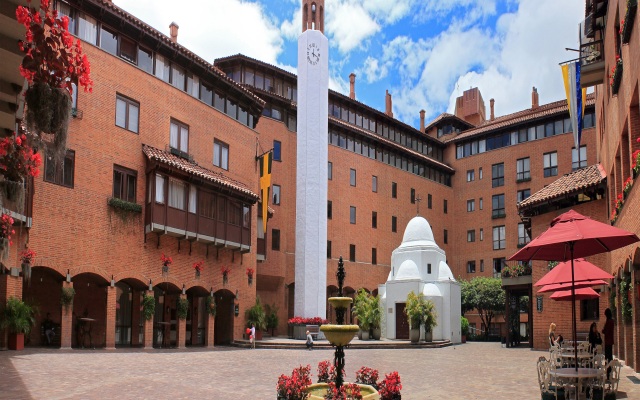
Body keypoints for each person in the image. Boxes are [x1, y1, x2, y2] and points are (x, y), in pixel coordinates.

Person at [602, 308, 614, 378]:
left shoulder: (608, 322)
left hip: (607, 342)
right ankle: (610, 371)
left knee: (607, 357)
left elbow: (604, 331)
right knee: (610, 357)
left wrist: (603, 329)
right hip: (610, 341)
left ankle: (608, 372)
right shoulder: (612, 321)